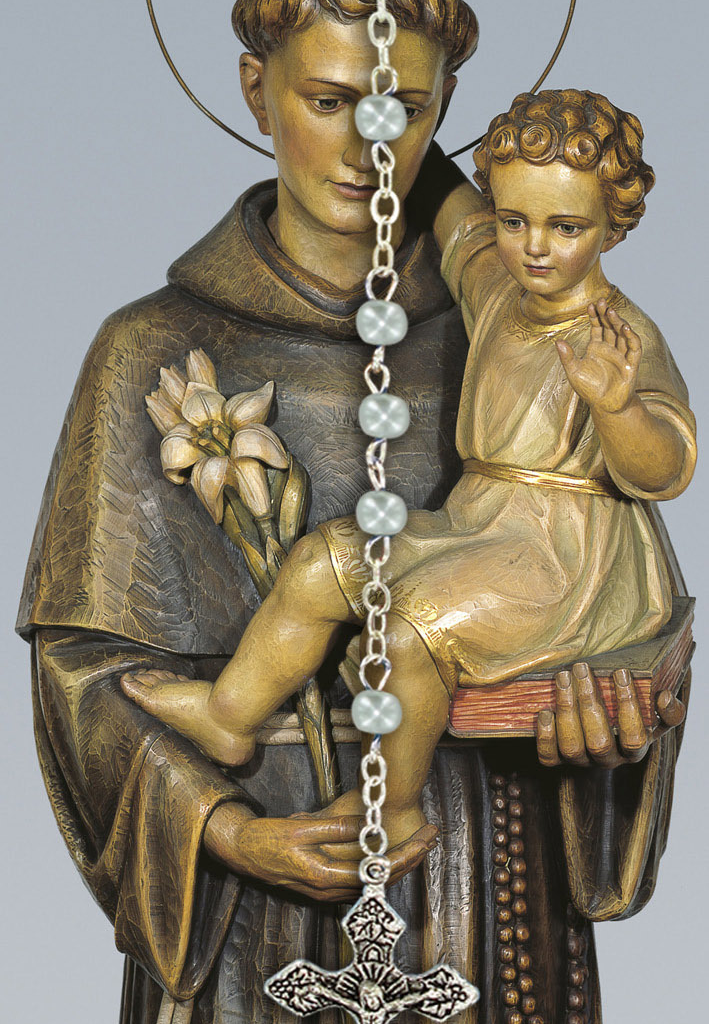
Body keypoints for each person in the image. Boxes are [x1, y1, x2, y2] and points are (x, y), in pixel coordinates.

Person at [18, 0, 689, 1024]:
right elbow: (84, 672)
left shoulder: (516, 322)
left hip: (483, 910)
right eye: (330, 100)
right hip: (258, 933)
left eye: (407, 109)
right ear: (255, 86)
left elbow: (620, 588)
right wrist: (226, 829)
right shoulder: (154, 351)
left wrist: (609, 731)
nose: (369, 147)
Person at [122, 87, 696, 857]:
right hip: (478, 524)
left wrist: (616, 406)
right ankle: (230, 715)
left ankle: (391, 808)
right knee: (321, 564)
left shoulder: (620, 337)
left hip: (565, 556)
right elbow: (450, 205)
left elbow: (665, 469)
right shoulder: (497, 285)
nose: (533, 246)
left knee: (407, 625)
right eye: (514, 220)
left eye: (565, 228)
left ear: (611, 226)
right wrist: (386, 104)